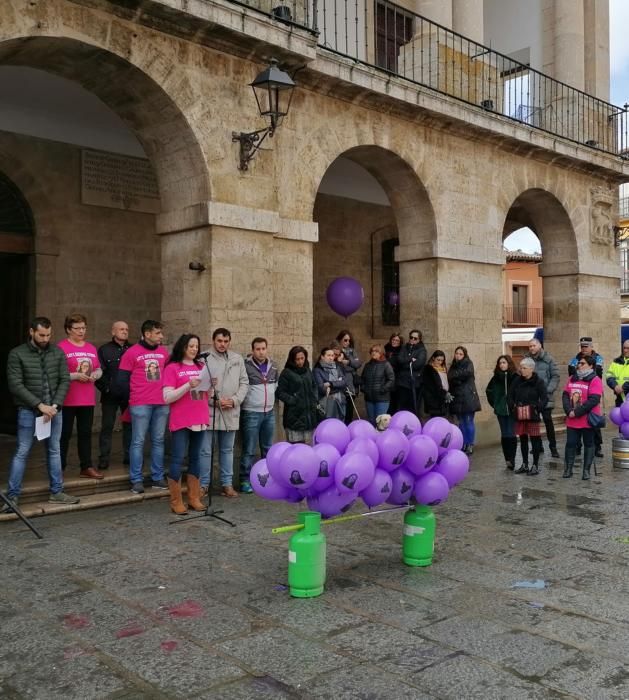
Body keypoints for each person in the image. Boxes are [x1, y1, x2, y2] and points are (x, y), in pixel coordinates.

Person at [2, 317, 79, 511]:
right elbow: (16, 385)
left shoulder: (57, 352)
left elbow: (64, 380)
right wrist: (39, 405)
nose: (45, 339)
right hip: (29, 411)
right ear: (31, 332)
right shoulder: (17, 354)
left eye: (48, 335)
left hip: (54, 411)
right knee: (22, 451)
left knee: (54, 450)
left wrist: (54, 405)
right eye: (41, 335)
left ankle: (57, 492)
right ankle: (12, 497)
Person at [115, 319, 170, 494]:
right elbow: (122, 380)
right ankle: (136, 480)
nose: (161, 336)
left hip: (161, 403)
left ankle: (157, 477)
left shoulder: (163, 352)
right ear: (147, 334)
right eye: (158, 333)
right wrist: (129, 401)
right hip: (140, 403)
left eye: (161, 332)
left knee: (158, 441)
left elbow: (169, 375)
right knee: (138, 441)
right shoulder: (132, 353)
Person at [162, 334, 209, 514]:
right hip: (182, 419)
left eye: (197, 346)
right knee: (178, 458)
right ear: (183, 347)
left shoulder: (202, 366)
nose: (194, 349)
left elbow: (207, 394)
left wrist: (211, 386)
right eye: (191, 346)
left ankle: (194, 498)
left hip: (200, 417)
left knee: (195, 457)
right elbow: (167, 397)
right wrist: (188, 385)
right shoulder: (173, 368)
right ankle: (176, 501)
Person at [199, 328, 248, 498]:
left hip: (230, 411)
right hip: (210, 412)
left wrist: (234, 400)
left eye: (226, 341)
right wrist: (213, 401)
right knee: (205, 450)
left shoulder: (237, 358)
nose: (223, 344)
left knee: (227, 450)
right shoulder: (204, 358)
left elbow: (244, 383)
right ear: (213, 341)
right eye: (219, 341)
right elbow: (200, 386)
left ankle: (227, 484)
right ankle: (203, 485)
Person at [58, 314, 104, 479]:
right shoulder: (61, 347)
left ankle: (86, 466)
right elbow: (58, 373)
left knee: (85, 433)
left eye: (83, 328)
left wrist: (96, 375)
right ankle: (59, 467)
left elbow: (98, 368)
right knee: (64, 434)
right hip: (67, 398)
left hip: (87, 398)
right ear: (68, 330)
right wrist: (75, 376)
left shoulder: (91, 348)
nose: (81, 331)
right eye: (77, 328)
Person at [239, 337, 279, 494]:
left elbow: (275, 385)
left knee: (268, 448)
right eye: (258, 349)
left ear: (266, 349)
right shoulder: (246, 366)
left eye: (263, 348)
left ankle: (266, 478)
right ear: (253, 350)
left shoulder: (273, 366)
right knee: (249, 449)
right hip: (251, 412)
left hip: (269, 412)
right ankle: (244, 480)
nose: (261, 352)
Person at [96, 321, 131, 470]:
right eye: (121, 329)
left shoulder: (133, 349)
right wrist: (107, 388)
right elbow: (98, 372)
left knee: (129, 427)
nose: (125, 331)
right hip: (110, 395)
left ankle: (129, 457)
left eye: (126, 329)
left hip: (129, 395)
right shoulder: (104, 350)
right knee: (107, 427)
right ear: (113, 332)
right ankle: (104, 458)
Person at [562, 354, 603, 480]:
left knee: (589, 444)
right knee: (570, 444)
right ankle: (568, 469)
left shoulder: (595, 380)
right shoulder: (572, 378)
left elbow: (594, 400)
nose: (579, 365)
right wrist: (569, 411)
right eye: (578, 363)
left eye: (582, 363)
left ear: (591, 366)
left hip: (587, 419)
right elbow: (565, 395)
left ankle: (586, 471)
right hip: (572, 419)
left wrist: (577, 412)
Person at [508, 357, 548, 475]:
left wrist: (537, 409)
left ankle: (535, 465)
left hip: (532, 415)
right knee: (523, 440)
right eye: (521, 368)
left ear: (531, 368)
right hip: (520, 415)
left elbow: (544, 398)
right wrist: (513, 407)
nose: (522, 370)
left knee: (535, 440)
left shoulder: (539, 381)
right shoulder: (517, 380)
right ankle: (525, 464)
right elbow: (509, 395)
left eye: (524, 368)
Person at [568, 337, 604, 458]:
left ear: (591, 347)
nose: (583, 349)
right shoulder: (575, 358)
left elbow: (597, 371)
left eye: (586, 346)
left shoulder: (598, 357)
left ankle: (597, 447)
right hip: (578, 391)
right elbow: (572, 372)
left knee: (594, 420)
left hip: (593, 388)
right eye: (582, 346)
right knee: (577, 420)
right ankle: (578, 447)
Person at [526, 338, 560, 458]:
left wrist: (547, 391)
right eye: (530, 346)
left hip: (546, 396)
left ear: (539, 346)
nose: (531, 348)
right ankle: (538, 446)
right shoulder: (526, 360)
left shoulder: (549, 359)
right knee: (533, 422)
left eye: (533, 346)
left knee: (547, 420)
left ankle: (553, 447)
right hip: (531, 397)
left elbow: (555, 376)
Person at [277, 346, 318, 444]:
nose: (300, 361)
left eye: (302, 358)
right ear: (292, 359)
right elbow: (279, 392)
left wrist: (314, 399)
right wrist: (292, 400)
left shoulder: (307, 370)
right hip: (294, 417)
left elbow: (314, 385)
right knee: (296, 449)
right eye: (297, 359)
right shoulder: (286, 373)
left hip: (309, 417)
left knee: (309, 448)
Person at [486, 355, 518, 470]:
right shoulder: (495, 378)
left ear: (509, 363)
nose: (502, 365)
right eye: (500, 363)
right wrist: (496, 404)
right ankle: (507, 459)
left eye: (504, 362)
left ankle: (512, 458)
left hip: (512, 411)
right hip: (501, 411)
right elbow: (488, 391)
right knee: (504, 434)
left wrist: (515, 404)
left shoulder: (515, 377)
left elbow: (520, 391)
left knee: (511, 434)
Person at [448, 346, 481, 455]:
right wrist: (456, 377)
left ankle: (470, 444)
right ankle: (463, 443)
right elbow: (450, 377)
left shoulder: (468, 364)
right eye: (456, 353)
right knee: (461, 423)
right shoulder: (453, 366)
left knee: (469, 421)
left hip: (468, 397)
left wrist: (456, 377)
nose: (458, 355)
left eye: (460, 354)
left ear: (464, 355)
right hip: (458, 398)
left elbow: (467, 374)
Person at [391, 330, 426, 415]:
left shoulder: (422, 350)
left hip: (413, 383)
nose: (413, 339)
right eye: (411, 337)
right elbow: (400, 360)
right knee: (401, 407)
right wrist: (410, 360)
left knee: (412, 408)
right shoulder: (404, 347)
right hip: (402, 383)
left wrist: (405, 362)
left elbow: (418, 364)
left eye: (415, 338)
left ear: (419, 340)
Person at [360, 344, 395, 426]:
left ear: (381, 353)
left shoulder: (386, 364)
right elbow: (362, 379)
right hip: (369, 399)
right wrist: (364, 389)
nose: (373, 353)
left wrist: (383, 389)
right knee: (372, 421)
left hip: (382, 399)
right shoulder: (367, 365)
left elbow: (391, 379)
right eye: (372, 351)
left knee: (380, 423)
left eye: (376, 351)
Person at [313, 345, 348, 420]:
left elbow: (344, 383)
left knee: (340, 426)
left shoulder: (337, 367)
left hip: (340, 401)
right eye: (328, 355)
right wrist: (338, 384)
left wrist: (330, 384)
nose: (331, 358)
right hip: (327, 404)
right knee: (328, 426)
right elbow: (321, 388)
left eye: (332, 355)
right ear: (322, 357)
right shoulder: (317, 370)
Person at [335, 330, 362, 425]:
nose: (347, 342)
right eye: (345, 340)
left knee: (350, 411)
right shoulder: (336, 351)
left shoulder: (352, 351)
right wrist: (351, 366)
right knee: (340, 411)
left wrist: (349, 361)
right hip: (340, 384)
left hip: (351, 385)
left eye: (349, 340)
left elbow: (358, 364)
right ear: (340, 340)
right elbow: (338, 366)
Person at [422, 350, 451, 419]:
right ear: (433, 358)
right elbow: (432, 386)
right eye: (438, 360)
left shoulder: (443, 368)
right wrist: (444, 393)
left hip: (443, 398)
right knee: (434, 420)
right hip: (433, 399)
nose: (440, 362)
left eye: (442, 360)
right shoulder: (428, 369)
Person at [606, 339, 629, 408]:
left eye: (628, 348)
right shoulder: (616, 361)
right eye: (624, 348)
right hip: (620, 397)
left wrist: (623, 387)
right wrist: (615, 386)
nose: (625, 350)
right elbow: (609, 376)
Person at [384, 332, 403, 413]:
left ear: (400, 342)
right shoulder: (386, 349)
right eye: (393, 339)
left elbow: (401, 364)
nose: (394, 341)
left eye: (397, 340)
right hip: (385, 378)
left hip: (396, 379)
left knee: (394, 401)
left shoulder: (401, 351)